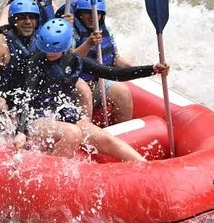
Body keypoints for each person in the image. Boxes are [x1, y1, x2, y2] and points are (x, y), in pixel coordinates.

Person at [13, 18, 169, 161]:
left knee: (109, 141)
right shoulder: (35, 62)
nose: (50, 54)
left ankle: (146, 167)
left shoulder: (76, 61)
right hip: (36, 120)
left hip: (63, 114)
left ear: (65, 46)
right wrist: (20, 131)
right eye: (47, 49)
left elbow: (114, 74)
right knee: (73, 133)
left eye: (54, 50)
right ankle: (51, 174)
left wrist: (152, 69)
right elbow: (27, 96)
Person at [69, 0, 136, 125]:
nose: (92, 17)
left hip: (98, 81)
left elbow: (115, 58)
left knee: (123, 93)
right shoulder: (71, 32)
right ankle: (87, 132)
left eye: (97, 13)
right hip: (76, 83)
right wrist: (88, 43)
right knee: (85, 92)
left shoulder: (106, 30)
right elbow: (69, 61)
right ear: (80, 14)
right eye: (87, 12)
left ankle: (121, 132)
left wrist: (136, 69)